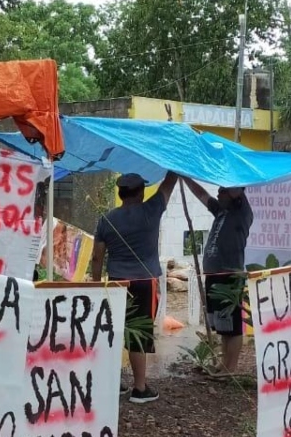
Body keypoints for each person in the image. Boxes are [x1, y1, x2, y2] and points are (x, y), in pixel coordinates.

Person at [90, 171, 179, 404]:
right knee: (137, 333)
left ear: (120, 194)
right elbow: (169, 184)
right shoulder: (151, 209)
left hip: (116, 282)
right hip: (144, 282)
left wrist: (97, 285)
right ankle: (140, 388)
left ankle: (113, 382)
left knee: (115, 331)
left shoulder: (106, 219)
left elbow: (97, 257)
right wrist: (175, 165)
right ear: (140, 193)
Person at [184, 180, 254, 376]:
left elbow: (235, 185)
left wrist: (228, 173)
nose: (218, 193)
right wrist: (186, 178)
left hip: (229, 275)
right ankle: (223, 364)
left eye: (223, 190)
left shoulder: (241, 212)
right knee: (223, 325)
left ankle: (230, 368)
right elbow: (202, 195)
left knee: (232, 327)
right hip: (214, 275)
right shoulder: (221, 211)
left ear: (235, 193)